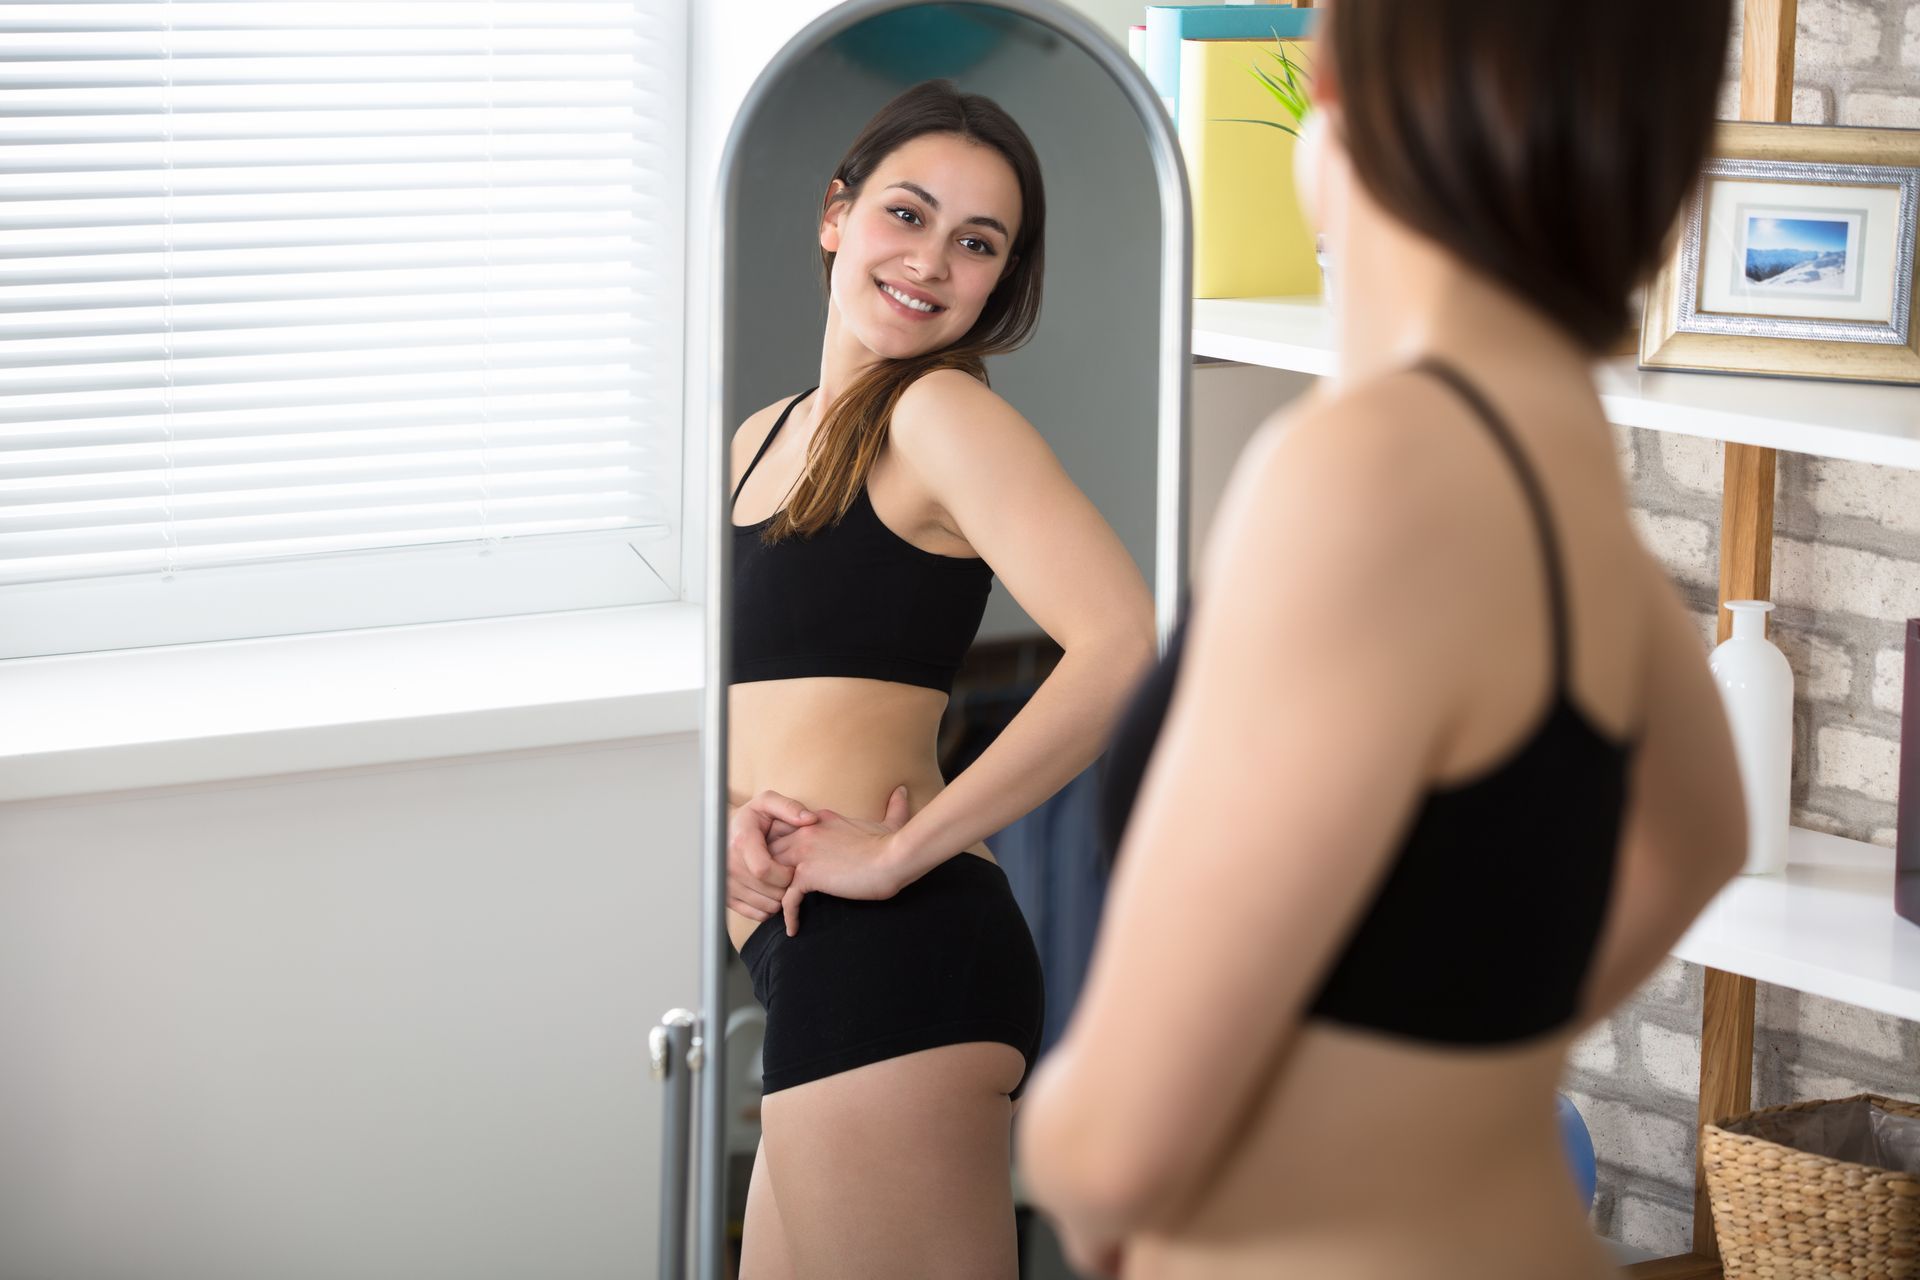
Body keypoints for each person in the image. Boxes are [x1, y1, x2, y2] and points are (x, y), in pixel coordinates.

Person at [1017, 4, 1744, 1278]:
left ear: (1340, 80)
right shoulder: (1555, 457)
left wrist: (1068, 1149)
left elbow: (1116, 1141)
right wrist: (1458, 1076)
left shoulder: (1366, 473)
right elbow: (1703, 830)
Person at [723, 79, 1156, 1278]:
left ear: (1000, 279)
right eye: (906, 216)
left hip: (896, 960)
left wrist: (901, 850)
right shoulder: (757, 438)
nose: (931, 261)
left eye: (978, 243)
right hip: (802, 958)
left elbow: (1123, 643)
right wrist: (722, 823)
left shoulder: (940, 415)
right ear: (835, 213)